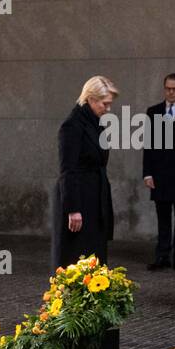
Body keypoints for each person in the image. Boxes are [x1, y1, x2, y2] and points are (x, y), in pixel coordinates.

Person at [52, 76, 117, 270]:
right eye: (105, 104)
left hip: (94, 197)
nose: (108, 109)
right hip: (79, 199)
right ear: (91, 99)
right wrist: (73, 209)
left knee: (94, 252)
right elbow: (67, 169)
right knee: (76, 254)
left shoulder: (94, 123)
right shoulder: (72, 126)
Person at [143, 73, 175, 271]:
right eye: (168, 88)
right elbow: (148, 144)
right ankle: (162, 256)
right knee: (163, 218)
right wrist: (148, 173)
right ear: (164, 89)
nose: (171, 92)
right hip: (160, 174)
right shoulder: (153, 112)